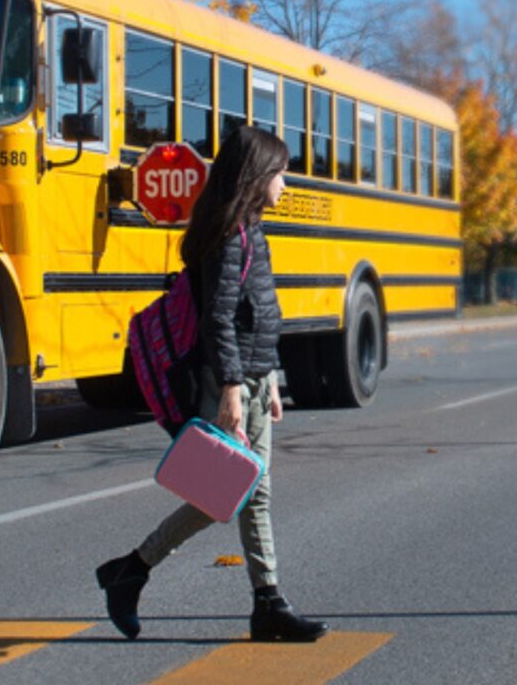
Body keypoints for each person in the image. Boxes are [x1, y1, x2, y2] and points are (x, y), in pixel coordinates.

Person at [95, 126, 328, 644]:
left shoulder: (248, 230)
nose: (285, 185)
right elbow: (219, 320)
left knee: (242, 493)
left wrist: (269, 379)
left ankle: (142, 574)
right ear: (257, 176)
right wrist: (231, 388)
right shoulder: (231, 239)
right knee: (235, 492)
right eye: (280, 174)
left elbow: (255, 315)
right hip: (235, 383)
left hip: (252, 377)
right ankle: (139, 571)